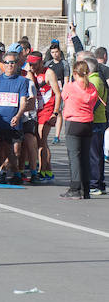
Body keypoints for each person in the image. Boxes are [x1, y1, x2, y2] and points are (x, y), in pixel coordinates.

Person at [0, 52, 29, 185]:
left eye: (12, 62)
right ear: (3, 64)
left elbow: (23, 103)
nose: (10, 65)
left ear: (16, 64)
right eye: (7, 62)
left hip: (14, 122)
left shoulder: (21, 81)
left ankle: (12, 171)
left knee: (14, 152)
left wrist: (18, 116)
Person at [61, 60, 99, 199]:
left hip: (73, 123)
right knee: (85, 157)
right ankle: (86, 189)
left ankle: (75, 188)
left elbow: (64, 97)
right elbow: (94, 103)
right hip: (88, 123)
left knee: (74, 157)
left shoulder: (70, 87)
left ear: (75, 73)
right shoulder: (92, 88)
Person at [85, 57, 108, 196]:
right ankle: (99, 183)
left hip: (96, 121)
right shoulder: (97, 79)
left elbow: (94, 102)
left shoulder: (94, 81)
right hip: (98, 120)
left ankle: (95, 183)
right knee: (97, 153)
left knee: (94, 154)